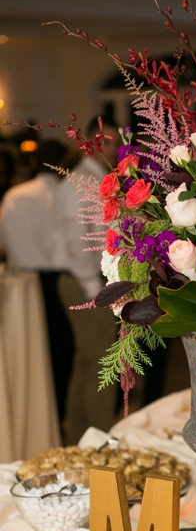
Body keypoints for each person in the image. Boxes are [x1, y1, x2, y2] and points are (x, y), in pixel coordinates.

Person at [0, 138, 75, 429]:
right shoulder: (68, 194)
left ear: (33, 161)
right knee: (63, 353)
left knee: (29, 352)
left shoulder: (15, 196)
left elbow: (2, 243)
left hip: (22, 284)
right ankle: (56, 416)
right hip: (61, 281)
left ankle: (32, 417)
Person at [54, 120, 121, 442]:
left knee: (87, 361)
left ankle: (81, 437)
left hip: (87, 280)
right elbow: (76, 244)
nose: (116, 149)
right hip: (84, 282)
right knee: (101, 363)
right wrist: (96, 289)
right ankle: (100, 441)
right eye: (110, 143)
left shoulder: (96, 180)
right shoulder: (80, 182)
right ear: (92, 145)